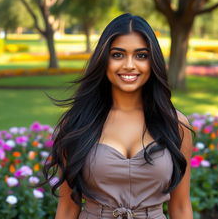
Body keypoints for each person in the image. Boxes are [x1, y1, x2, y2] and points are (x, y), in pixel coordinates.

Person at [42, 13, 193, 219]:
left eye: (141, 55)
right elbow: (68, 208)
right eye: (118, 55)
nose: (129, 65)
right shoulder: (77, 124)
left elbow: (181, 206)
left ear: (153, 61)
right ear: (104, 60)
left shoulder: (175, 124)